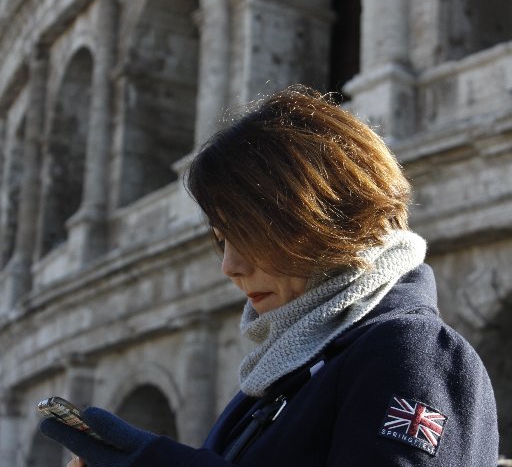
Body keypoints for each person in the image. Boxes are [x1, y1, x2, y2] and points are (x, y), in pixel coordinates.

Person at [40, 86, 499, 466]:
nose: (230, 267)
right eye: (223, 240)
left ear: (328, 218)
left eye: (251, 235)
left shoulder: (411, 354)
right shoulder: (286, 369)